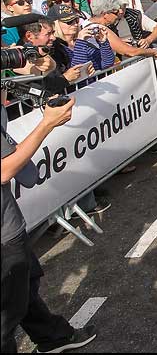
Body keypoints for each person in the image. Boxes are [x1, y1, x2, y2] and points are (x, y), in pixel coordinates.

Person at [1, 93, 98, 354]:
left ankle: (52, 336)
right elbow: (4, 170)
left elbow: (24, 172)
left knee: (24, 288)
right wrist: (47, 124)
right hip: (3, 239)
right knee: (5, 317)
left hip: (9, 229)